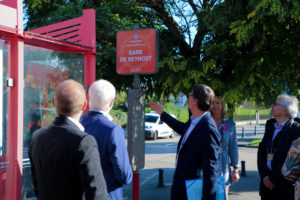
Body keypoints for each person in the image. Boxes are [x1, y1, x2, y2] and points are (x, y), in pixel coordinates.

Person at [28, 80, 108, 200]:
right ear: (85, 105)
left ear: (54, 103)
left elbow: (37, 185)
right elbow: (97, 194)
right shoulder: (84, 141)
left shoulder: (37, 136)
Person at [149, 84, 221, 200]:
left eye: (190, 95)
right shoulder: (195, 121)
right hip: (182, 186)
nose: (188, 98)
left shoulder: (208, 128)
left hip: (193, 190)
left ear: (195, 101)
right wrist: (162, 114)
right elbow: (182, 128)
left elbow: (211, 170)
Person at [80, 79, 132, 200]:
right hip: (107, 194)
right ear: (111, 102)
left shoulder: (78, 123)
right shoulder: (113, 130)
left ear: (88, 99)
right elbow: (124, 175)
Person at [257, 94, 300, 200]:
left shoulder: (296, 130)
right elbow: (262, 152)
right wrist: (265, 176)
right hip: (266, 186)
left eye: (275, 104)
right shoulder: (270, 126)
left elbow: (292, 161)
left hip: (284, 188)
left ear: (285, 110)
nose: (272, 105)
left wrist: (274, 180)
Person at [210, 96, 239, 200]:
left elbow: (233, 146)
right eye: (212, 103)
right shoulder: (205, 122)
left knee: (223, 194)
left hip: (223, 163)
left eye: (217, 103)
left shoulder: (229, 124)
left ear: (222, 106)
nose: (215, 105)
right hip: (208, 162)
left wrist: (235, 169)